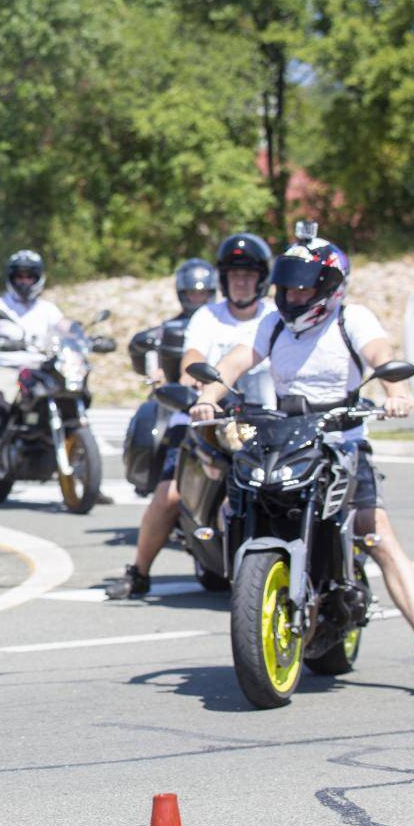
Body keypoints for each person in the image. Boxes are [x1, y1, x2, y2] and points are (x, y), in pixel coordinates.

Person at [189, 231, 414, 680]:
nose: (292, 295)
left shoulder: (353, 319)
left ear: (328, 287)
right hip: (287, 437)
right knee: (238, 499)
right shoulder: (274, 324)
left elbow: (380, 355)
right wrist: (209, 395)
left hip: (342, 440)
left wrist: (397, 392)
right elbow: (236, 360)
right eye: (287, 287)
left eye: (302, 287)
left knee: (376, 532)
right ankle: (242, 579)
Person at [109, 236, 276, 598]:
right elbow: (192, 356)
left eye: (248, 275)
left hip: (264, 423)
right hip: (207, 420)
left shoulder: (275, 317)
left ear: (261, 278)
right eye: (234, 275)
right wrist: (192, 381)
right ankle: (139, 571)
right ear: (223, 279)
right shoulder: (207, 316)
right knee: (169, 494)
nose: (241, 282)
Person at [0, 249, 72, 512]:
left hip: (41, 369)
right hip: (7, 369)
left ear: (39, 278)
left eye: (30, 276)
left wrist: (84, 335)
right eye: (20, 276)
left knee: (70, 402)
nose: (24, 281)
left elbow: (66, 327)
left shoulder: (48, 308)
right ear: (12, 278)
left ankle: (85, 479)